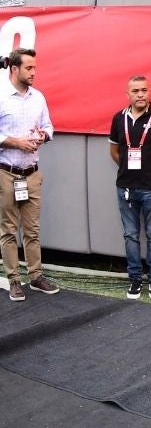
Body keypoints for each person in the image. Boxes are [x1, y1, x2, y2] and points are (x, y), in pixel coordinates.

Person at [108, 76, 151, 299]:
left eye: (144, 90)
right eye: (136, 91)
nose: (140, 94)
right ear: (127, 94)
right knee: (130, 235)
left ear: (149, 92)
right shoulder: (118, 119)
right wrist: (130, 171)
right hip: (126, 187)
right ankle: (135, 280)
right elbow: (114, 152)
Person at [1, 48, 59, 302]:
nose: (34, 72)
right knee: (8, 230)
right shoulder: (1, 96)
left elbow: (48, 126)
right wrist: (15, 142)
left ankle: (36, 276)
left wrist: (43, 135)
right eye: (29, 68)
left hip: (32, 174)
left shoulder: (38, 97)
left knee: (32, 229)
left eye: (35, 68)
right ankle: (14, 279)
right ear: (14, 69)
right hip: (6, 173)